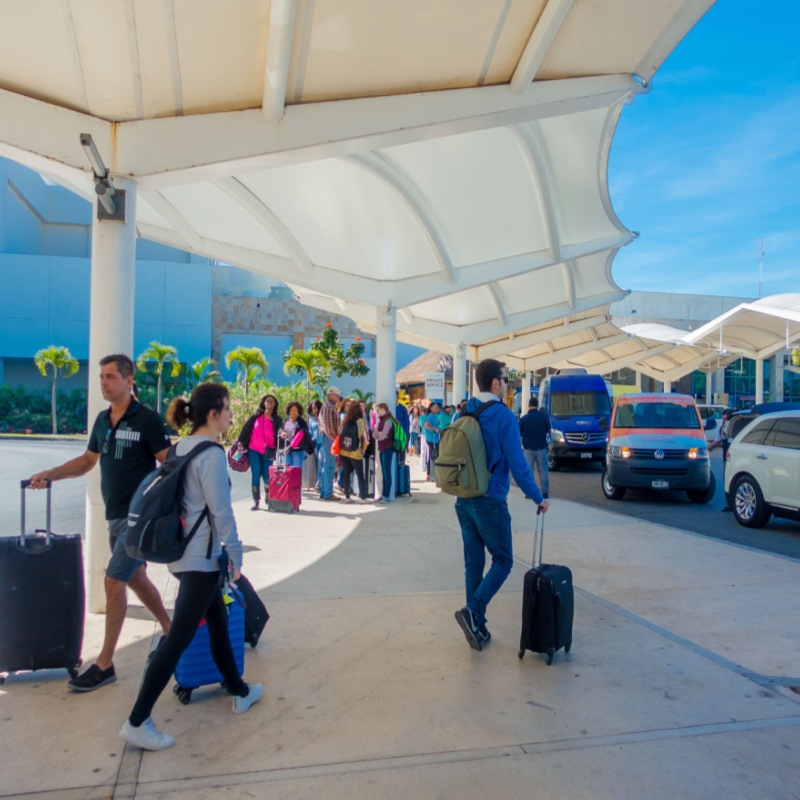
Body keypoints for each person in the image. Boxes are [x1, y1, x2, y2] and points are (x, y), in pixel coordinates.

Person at [119, 383, 263, 751]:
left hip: (183, 557)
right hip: (201, 560)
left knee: (216, 621)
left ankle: (239, 689)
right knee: (178, 638)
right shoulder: (211, 455)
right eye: (228, 408)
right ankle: (137, 719)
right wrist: (236, 555)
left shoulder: (181, 447)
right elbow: (221, 512)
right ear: (213, 414)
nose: (232, 414)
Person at [28, 354, 172, 693]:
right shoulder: (102, 421)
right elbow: (88, 461)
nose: (103, 383)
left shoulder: (147, 420)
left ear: (128, 380)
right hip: (115, 516)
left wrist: (161, 508)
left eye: (109, 377)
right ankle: (171, 628)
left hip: (139, 519)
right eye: (101, 377)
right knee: (134, 577)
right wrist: (51, 474)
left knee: (112, 582)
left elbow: (168, 465)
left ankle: (105, 664)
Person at [453, 359, 549, 652]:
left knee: (474, 566)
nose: (509, 385)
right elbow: (520, 467)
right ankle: (473, 612)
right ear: (495, 383)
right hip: (490, 501)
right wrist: (538, 497)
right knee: (504, 560)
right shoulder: (504, 416)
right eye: (506, 380)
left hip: (463, 499)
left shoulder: (465, 409)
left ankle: (476, 624)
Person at [239, 394, 282, 511]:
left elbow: (280, 428)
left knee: (267, 476)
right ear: (264, 403)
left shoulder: (276, 419)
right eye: (267, 401)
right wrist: (241, 442)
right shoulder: (256, 416)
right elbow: (246, 429)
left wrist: (282, 433)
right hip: (254, 450)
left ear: (275, 405)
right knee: (256, 475)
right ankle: (256, 500)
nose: (269, 403)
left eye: (272, 402)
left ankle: (268, 495)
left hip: (269, 451)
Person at [338, 402, 371, 504]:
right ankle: (363, 498)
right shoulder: (361, 422)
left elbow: (339, 433)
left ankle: (347, 497)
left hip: (343, 451)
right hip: (355, 452)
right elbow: (366, 438)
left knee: (347, 473)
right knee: (360, 474)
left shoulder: (344, 421)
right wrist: (364, 448)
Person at [519, 396, 551, 499]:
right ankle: (545, 492)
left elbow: (520, 433)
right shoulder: (544, 417)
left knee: (529, 471)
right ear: (537, 406)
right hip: (541, 448)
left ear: (529, 406)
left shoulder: (524, 419)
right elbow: (547, 429)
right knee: (543, 470)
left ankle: (530, 493)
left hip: (528, 449)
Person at [318, 386, 342, 501]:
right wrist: (335, 440)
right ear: (330, 395)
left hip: (327, 438)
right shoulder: (328, 407)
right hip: (329, 439)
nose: (338, 396)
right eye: (336, 394)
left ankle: (324, 491)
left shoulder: (328, 406)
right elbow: (327, 427)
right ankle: (328, 492)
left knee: (326, 465)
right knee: (329, 465)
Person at [709, 407, 735, 511]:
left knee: (730, 482)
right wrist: (709, 447)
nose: (725, 421)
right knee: (729, 482)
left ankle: (731, 505)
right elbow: (717, 441)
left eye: (726, 419)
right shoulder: (723, 429)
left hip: (732, 459)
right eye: (724, 419)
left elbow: (716, 442)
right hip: (728, 459)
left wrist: (708, 447)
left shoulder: (725, 428)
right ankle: (730, 504)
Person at [374, 403, 397, 503]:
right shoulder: (382, 420)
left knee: (386, 472)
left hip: (387, 449)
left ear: (383, 409)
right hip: (383, 448)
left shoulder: (387, 421)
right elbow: (376, 434)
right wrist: (379, 434)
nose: (377, 411)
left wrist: (378, 434)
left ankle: (386, 495)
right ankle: (384, 494)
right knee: (384, 472)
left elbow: (382, 436)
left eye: (378, 409)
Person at [279, 401, 310, 468]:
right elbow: (281, 429)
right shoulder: (286, 420)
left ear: (298, 411)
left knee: (296, 470)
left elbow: (305, 433)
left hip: (297, 450)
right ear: (289, 411)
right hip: (286, 449)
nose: (293, 412)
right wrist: (283, 432)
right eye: (291, 410)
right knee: (287, 471)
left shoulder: (301, 422)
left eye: (295, 410)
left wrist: (297, 433)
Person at [305, 400, 322, 491]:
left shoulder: (322, 417)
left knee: (320, 462)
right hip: (314, 442)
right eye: (313, 408)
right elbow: (310, 431)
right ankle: (315, 482)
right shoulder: (311, 419)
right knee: (314, 464)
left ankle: (319, 483)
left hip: (322, 441)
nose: (314, 410)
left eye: (316, 408)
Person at [424, 401, 442, 481]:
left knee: (433, 455)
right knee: (433, 455)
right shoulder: (430, 416)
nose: (436, 408)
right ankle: (430, 474)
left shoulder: (435, 416)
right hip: (431, 439)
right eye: (434, 407)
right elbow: (427, 425)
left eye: (437, 407)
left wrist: (438, 427)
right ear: (430, 408)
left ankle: (431, 473)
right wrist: (434, 429)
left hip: (435, 438)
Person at [395, 391, 410, 461]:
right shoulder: (387, 407)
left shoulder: (402, 408)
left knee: (401, 456)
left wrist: (406, 435)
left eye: (395, 396)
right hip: (390, 435)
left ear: (398, 398)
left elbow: (407, 422)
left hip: (401, 435)